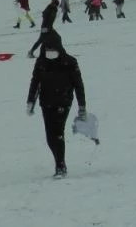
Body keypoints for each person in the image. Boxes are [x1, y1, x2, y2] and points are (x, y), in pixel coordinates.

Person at [26, 31, 86, 179]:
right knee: (50, 136)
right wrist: (30, 101)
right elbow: (35, 82)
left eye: (53, 50)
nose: (50, 53)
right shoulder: (41, 63)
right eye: (48, 50)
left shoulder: (70, 62)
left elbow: (78, 85)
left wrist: (82, 106)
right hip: (46, 102)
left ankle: (60, 166)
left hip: (63, 101)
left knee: (58, 132)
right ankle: (59, 160)